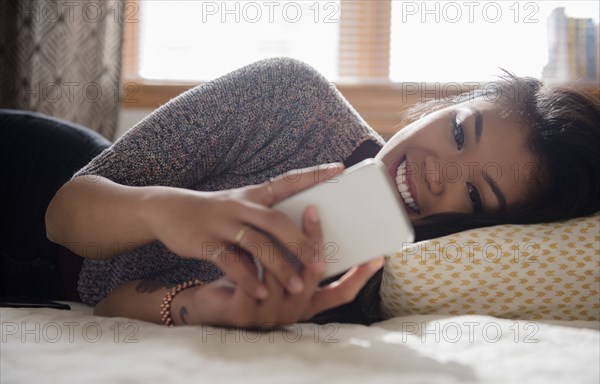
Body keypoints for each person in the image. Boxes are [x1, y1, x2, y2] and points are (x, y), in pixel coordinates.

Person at [43, 58, 600, 328]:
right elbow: (63, 216)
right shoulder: (289, 98)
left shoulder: (371, 287)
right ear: (444, 102)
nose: (438, 174)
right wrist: (170, 210)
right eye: (458, 131)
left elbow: (109, 303)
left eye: (477, 196)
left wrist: (207, 308)